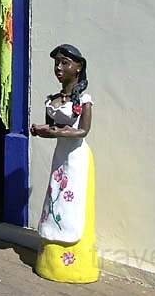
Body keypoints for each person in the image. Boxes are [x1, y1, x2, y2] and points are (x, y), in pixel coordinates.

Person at [30, 44, 99, 283]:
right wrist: (42, 130)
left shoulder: (85, 100)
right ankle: (51, 257)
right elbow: (52, 126)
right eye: (56, 63)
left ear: (78, 68)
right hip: (61, 157)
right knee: (55, 200)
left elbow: (82, 131)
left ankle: (74, 261)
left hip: (77, 159)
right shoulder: (53, 99)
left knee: (72, 204)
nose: (59, 68)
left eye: (65, 63)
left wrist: (54, 132)